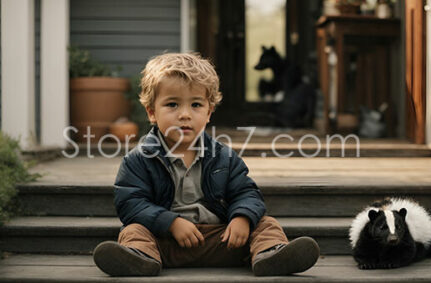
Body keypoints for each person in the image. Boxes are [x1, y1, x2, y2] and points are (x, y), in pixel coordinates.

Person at [92, 53, 320, 277]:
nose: (184, 115)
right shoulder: (139, 159)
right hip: (165, 243)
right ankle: (139, 259)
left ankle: (271, 255)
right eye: (172, 104)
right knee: (134, 231)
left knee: (265, 223)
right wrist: (170, 223)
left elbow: (246, 193)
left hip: (222, 242)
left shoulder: (224, 157)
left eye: (196, 105)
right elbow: (131, 204)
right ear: (152, 112)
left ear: (209, 112)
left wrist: (241, 218)